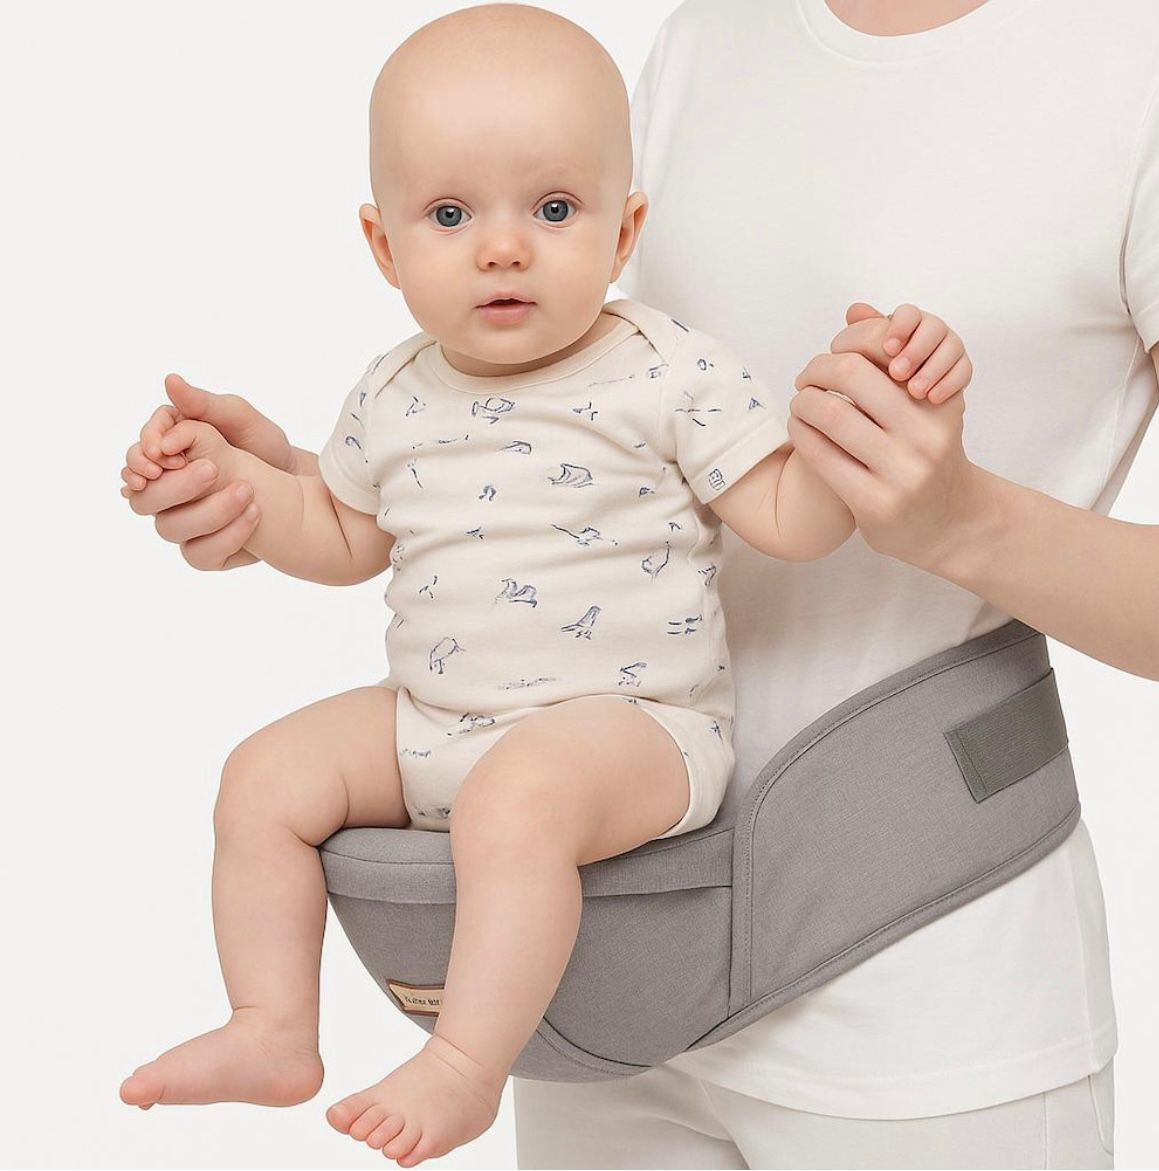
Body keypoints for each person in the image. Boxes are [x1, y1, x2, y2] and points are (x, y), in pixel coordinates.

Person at [121, 0, 1159, 1166]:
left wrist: (888, 461)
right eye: (452, 215)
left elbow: (778, 511)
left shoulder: (668, 368)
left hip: (883, 944)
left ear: (622, 231)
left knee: (518, 801)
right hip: (599, 974)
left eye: (553, 211)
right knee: (263, 774)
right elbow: (361, 526)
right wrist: (253, 496)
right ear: (382, 244)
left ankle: (458, 1066)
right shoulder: (699, 47)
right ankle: (271, 1023)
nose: (503, 248)